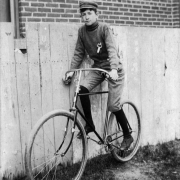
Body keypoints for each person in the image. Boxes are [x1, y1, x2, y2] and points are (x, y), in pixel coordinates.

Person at [63, 0, 133, 150]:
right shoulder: (82, 32)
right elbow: (78, 53)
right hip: (99, 68)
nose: (86, 17)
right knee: (81, 89)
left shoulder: (104, 29)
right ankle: (89, 124)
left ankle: (127, 135)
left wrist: (114, 69)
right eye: (83, 14)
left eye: (89, 13)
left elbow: (112, 50)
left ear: (96, 14)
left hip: (114, 70)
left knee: (113, 105)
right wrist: (71, 70)